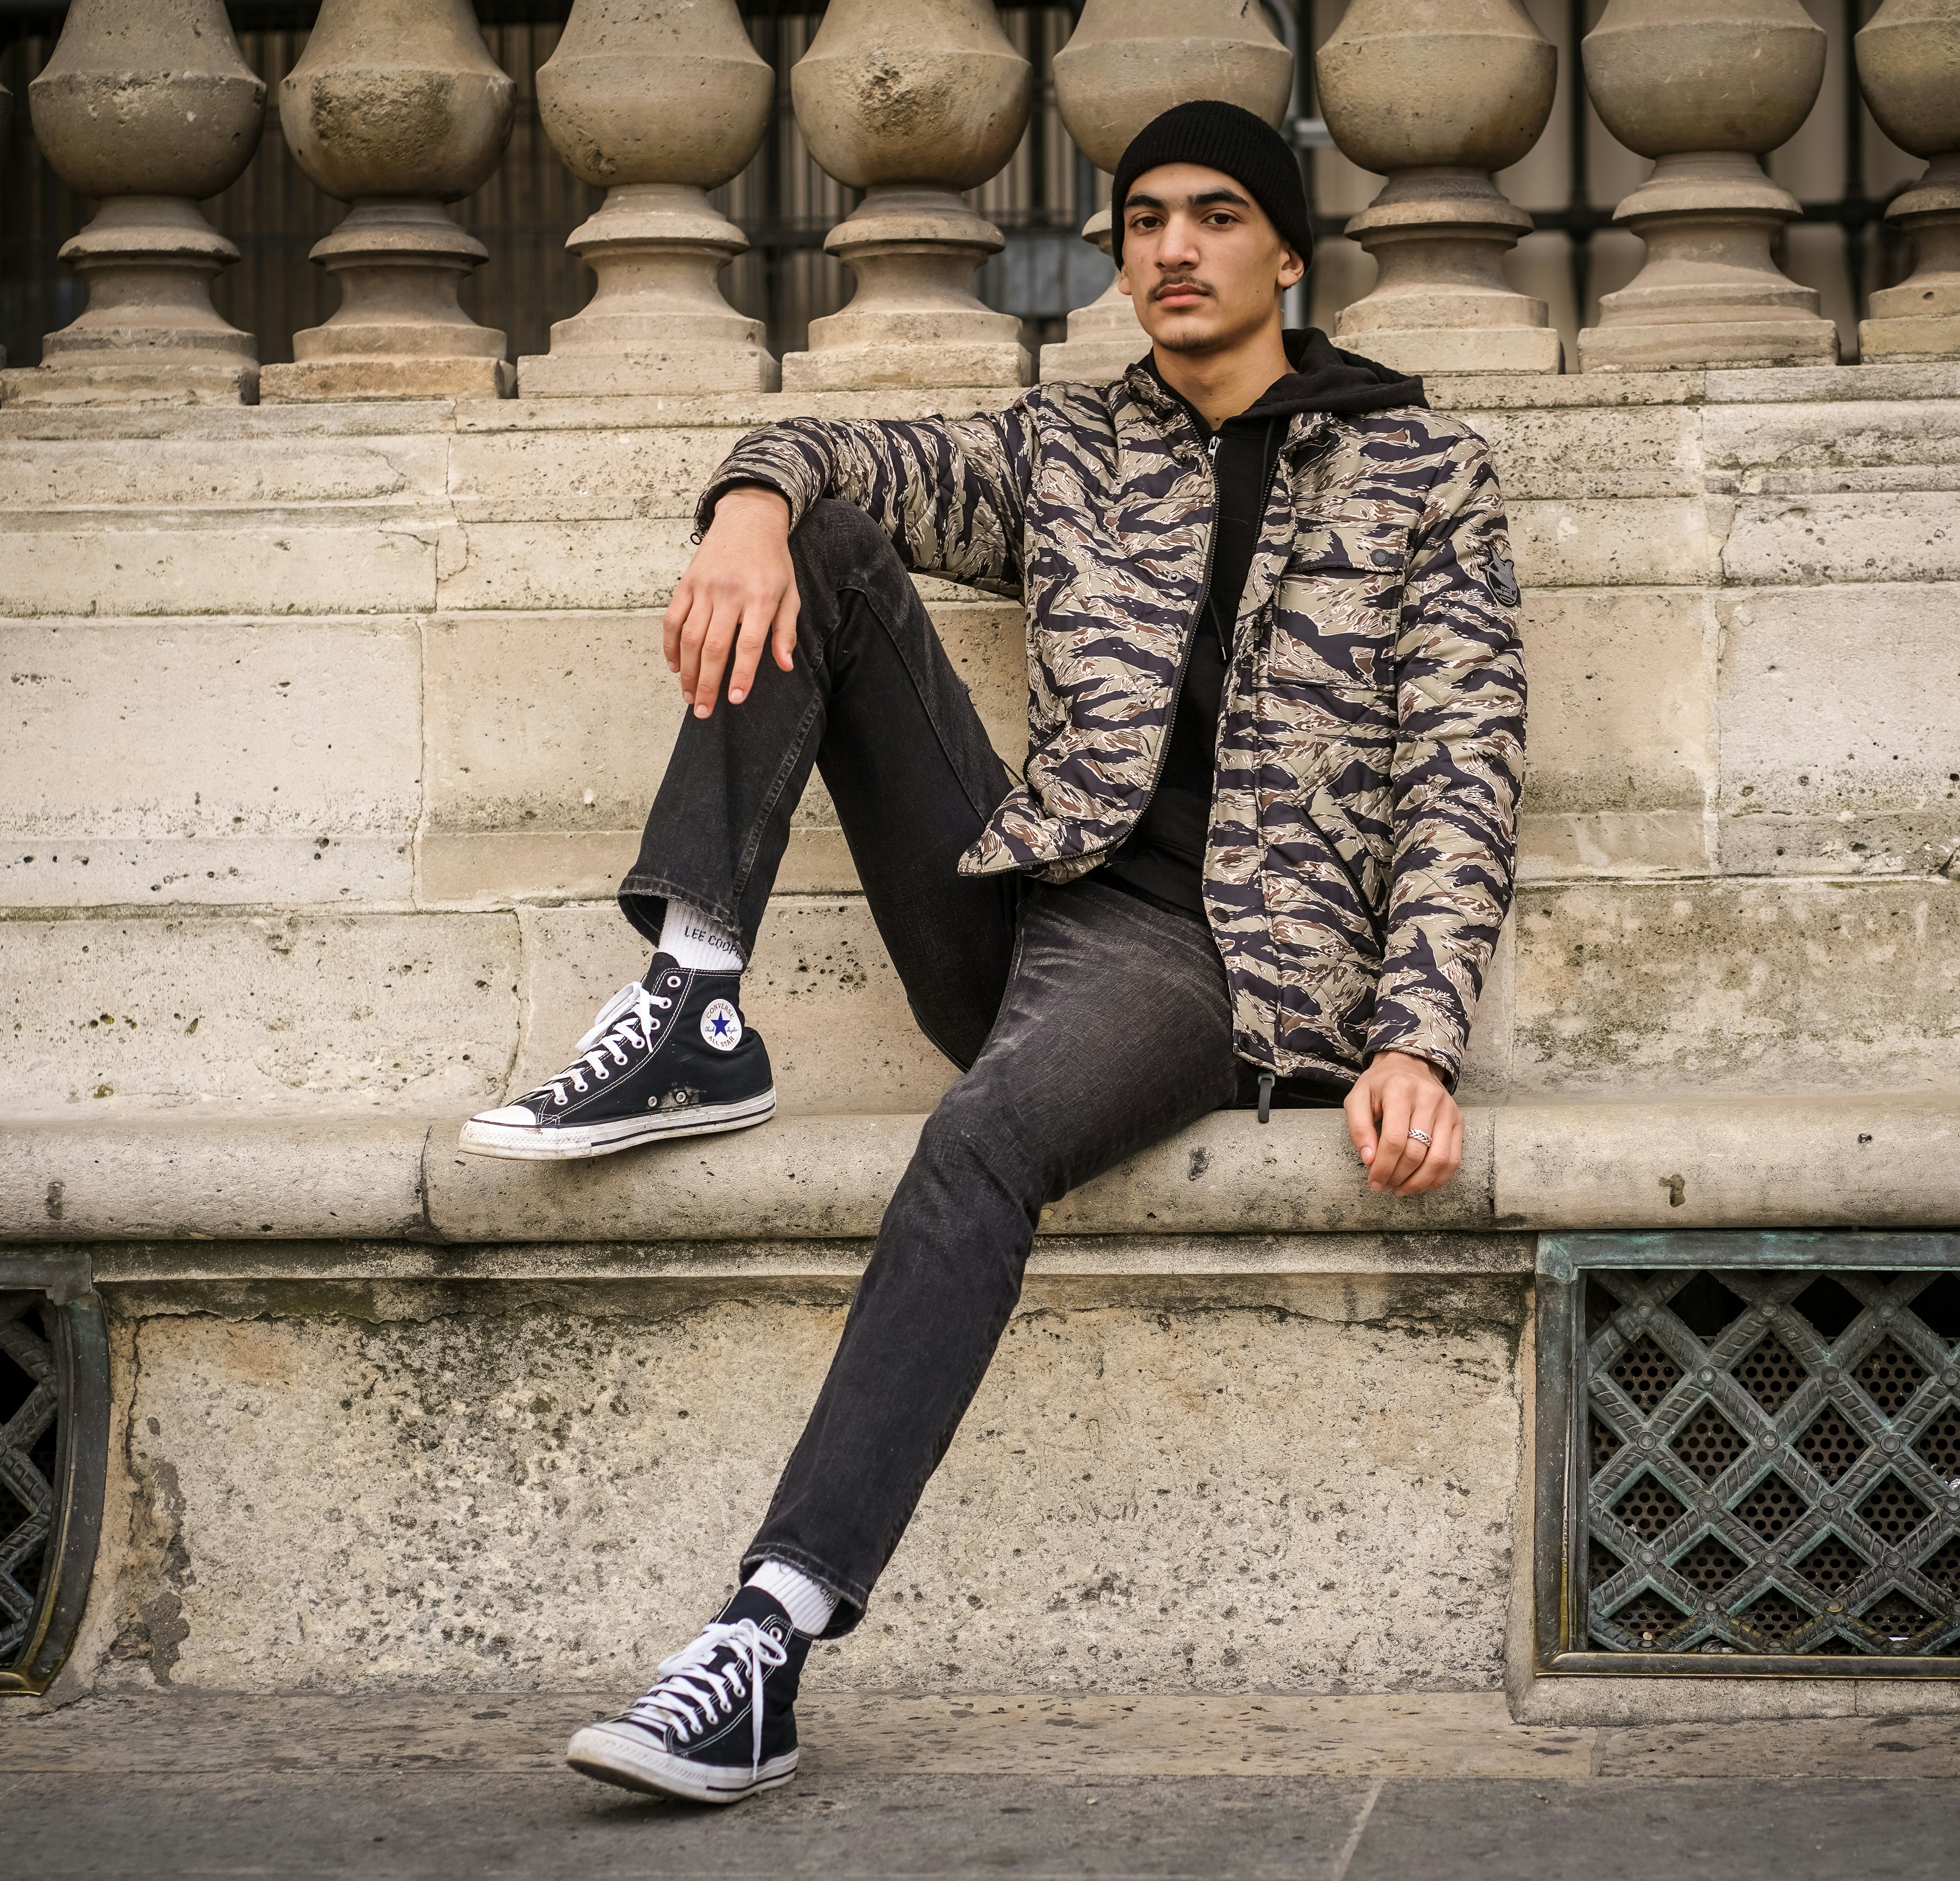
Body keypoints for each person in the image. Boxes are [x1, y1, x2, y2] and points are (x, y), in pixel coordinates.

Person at [458, 99, 1526, 1805]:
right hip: (1025, 906)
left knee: (975, 1144)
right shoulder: (1072, 449)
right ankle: (693, 997)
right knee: (823, 540)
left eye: (1216, 216)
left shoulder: (1417, 470)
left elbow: (1461, 773)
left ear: (1289, 255)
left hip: (1207, 968)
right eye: (1145, 220)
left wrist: (1416, 1034)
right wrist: (749, 498)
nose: (1172, 248)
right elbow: (849, 462)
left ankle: (764, 1638)